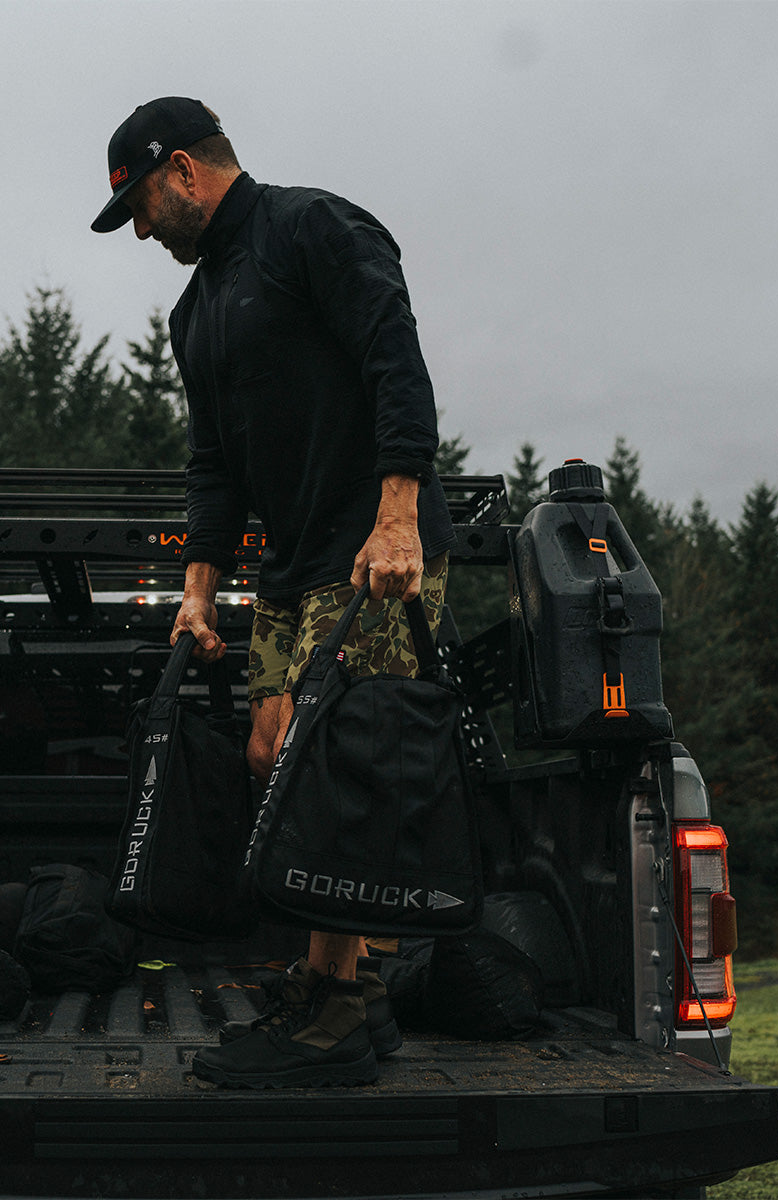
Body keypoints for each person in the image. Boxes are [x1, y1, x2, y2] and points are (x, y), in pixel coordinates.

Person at [92, 97, 456, 1088]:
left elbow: (397, 362)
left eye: (138, 206)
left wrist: (398, 518)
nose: (139, 231)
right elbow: (213, 467)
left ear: (181, 172)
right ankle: (349, 998)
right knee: (270, 754)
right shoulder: (196, 309)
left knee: (327, 764)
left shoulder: (312, 229)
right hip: (293, 562)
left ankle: (333, 1009)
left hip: (368, 543)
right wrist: (198, 593)